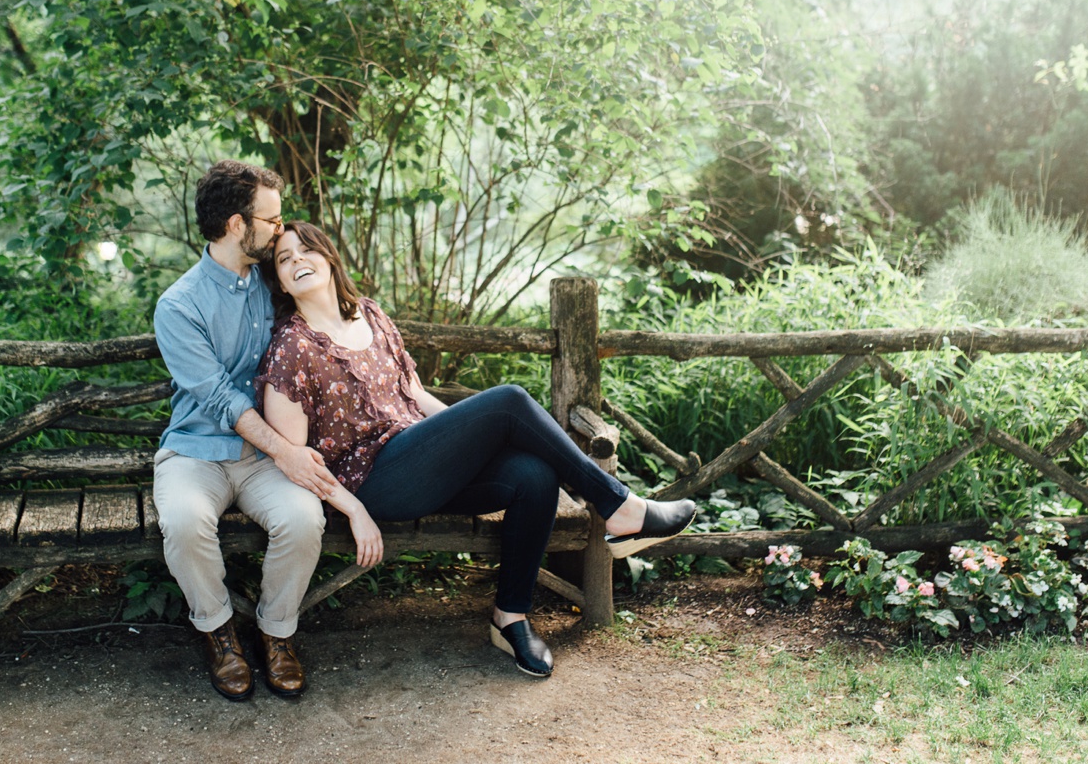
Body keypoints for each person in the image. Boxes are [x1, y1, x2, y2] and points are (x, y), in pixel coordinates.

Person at [255, 222, 696, 678]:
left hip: (425, 462)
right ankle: (619, 507)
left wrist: (466, 438)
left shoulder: (369, 314)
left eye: (306, 250)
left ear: (329, 258)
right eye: (284, 259)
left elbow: (415, 395)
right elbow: (295, 458)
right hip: (378, 482)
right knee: (507, 401)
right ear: (280, 281)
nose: (297, 262)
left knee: (533, 475)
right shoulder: (292, 347)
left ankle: (510, 618)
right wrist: (354, 511)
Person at [151, 162, 341, 702]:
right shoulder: (179, 305)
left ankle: (275, 635)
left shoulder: (274, 279)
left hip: (262, 461)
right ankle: (218, 634)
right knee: (185, 521)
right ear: (238, 224)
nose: (281, 230)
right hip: (196, 453)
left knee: (304, 519)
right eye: (273, 220)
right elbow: (217, 398)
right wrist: (288, 453)